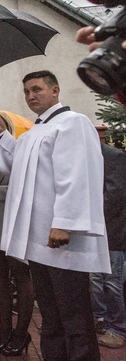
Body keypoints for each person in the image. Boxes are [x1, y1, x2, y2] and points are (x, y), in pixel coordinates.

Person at [0, 70, 110, 360]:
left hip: (60, 239)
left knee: (74, 315)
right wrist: (1, 133)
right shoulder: (36, 130)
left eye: (37, 89)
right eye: (26, 92)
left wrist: (64, 222)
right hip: (38, 243)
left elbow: (75, 175)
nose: (31, 96)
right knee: (50, 315)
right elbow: (18, 167)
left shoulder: (73, 123)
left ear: (55, 90)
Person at [0, 110, 34, 356]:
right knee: (0, 279)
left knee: (20, 274)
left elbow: (23, 179)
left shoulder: (15, 146)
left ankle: (21, 331)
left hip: (12, 218)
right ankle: (3, 330)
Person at [90, 142, 126, 349]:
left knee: (112, 281)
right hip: (94, 231)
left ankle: (118, 329)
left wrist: (87, 210)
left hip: (111, 231)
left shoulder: (114, 156)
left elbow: (116, 196)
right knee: (95, 278)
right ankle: (101, 319)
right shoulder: (86, 155)